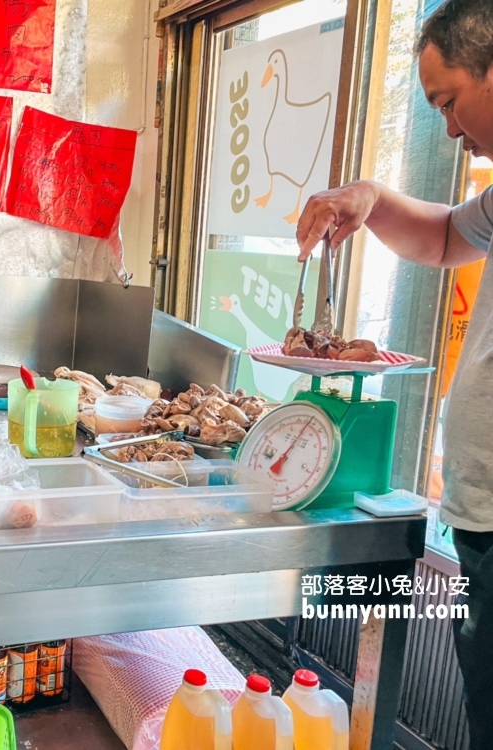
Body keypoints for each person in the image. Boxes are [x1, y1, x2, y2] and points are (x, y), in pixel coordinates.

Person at [295, 1, 492, 746]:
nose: (447, 129)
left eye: (449, 101)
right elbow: (444, 237)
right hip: (478, 517)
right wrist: (369, 199)